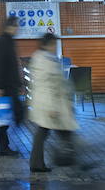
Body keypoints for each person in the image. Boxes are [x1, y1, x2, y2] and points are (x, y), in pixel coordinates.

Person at [28, 32, 78, 173]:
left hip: (51, 104)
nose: (55, 47)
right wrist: (51, 107)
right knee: (52, 132)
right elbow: (47, 86)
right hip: (49, 105)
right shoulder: (43, 60)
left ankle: (39, 163)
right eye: (54, 44)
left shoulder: (44, 58)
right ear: (48, 44)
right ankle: (41, 163)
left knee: (55, 132)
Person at [0, 16, 23, 156]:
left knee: (6, 118)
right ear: (10, 26)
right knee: (5, 118)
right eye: (16, 26)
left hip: (11, 86)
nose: (18, 28)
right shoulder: (2, 42)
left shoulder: (9, 41)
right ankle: (2, 147)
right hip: (5, 87)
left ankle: (3, 147)